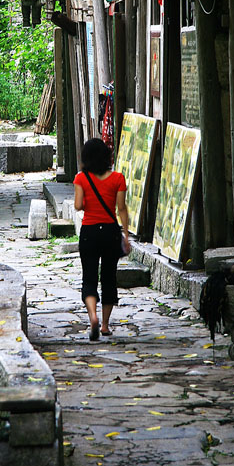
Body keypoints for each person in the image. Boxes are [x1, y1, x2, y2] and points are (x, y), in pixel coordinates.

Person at [74, 138, 130, 341]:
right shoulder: (118, 178)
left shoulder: (81, 178)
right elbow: (121, 208)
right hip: (110, 233)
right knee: (109, 278)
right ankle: (105, 325)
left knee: (89, 278)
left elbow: (78, 206)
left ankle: (93, 318)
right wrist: (126, 235)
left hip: (89, 232)